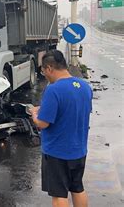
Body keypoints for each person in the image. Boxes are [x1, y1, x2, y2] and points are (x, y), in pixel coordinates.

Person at [30, 50, 92, 207]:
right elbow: (72, 109)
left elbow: (43, 123)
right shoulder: (85, 87)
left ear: (50, 68)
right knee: (77, 188)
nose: (45, 75)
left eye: (44, 71)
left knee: (59, 195)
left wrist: (34, 114)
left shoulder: (53, 89)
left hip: (57, 152)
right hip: (79, 150)